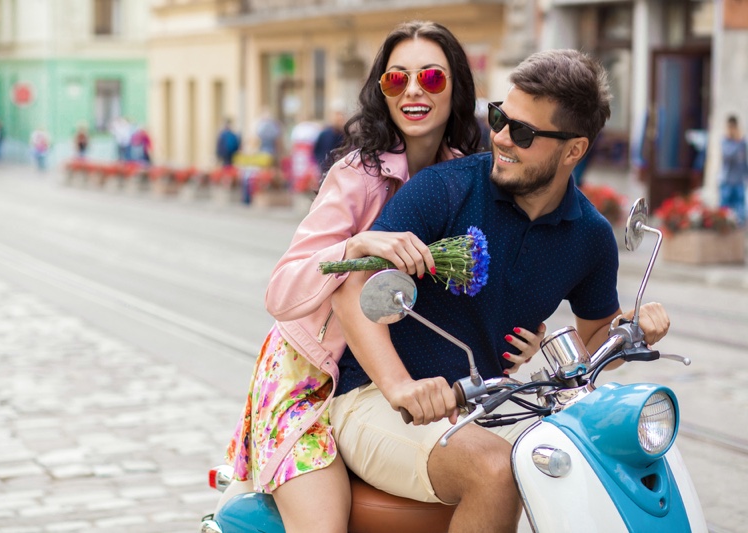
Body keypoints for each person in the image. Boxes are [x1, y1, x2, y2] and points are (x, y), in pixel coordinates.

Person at [329, 48, 671, 533]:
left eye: (524, 132)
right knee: (496, 470)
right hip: (373, 400)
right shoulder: (444, 190)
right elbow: (351, 292)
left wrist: (633, 328)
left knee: (575, 463)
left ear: (573, 149)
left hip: (478, 409)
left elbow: (598, 342)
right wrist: (401, 388)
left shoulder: (590, 237)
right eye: (499, 118)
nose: (502, 138)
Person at [222, 21, 532, 533]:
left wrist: (522, 332)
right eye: (396, 80)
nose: (413, 91)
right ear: (381, 91)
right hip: (313, 384)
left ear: (456, 86)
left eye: (431, 78)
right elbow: (281, 290)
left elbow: (479, 280)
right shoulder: (358, 175)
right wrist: (357, 244)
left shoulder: (462, 177)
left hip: (398, 385)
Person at [718, 115, 747, 225]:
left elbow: (744, 161)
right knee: (724, 213)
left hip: (739, 181)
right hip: (726, 181)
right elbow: (728, 155)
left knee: (740, 214)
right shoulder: (725, 141)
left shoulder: (742, 142)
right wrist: (738, 142)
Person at [313, 108, 346, 175]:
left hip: (339, 168)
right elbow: (317, 150)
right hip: (325, 167)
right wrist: (320, 162)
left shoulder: (344, 135)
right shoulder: (325, 134)